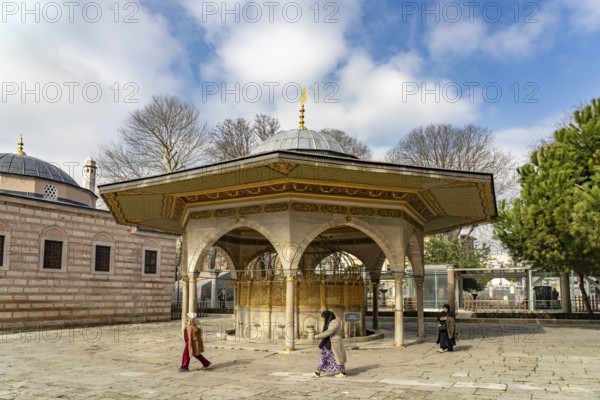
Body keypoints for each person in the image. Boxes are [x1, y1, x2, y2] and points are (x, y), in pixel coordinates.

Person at [313, 310, 347, 378]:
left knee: (336, 358)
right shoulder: (328, 322)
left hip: (333, 344)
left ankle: (342, 372)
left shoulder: (334, 322)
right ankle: (317, 372)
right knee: (323, 357)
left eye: (323, 317)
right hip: (326, 343)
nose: (323, 319)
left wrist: (317, 336)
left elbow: (329, 332)